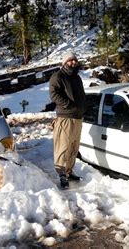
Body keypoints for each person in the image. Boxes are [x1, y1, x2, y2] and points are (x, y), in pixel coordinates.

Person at [49, 52, 86, 189]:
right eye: (70, 60)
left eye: (75, 60)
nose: (73, 63)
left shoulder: (77, 78)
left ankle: (69, 172)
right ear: (65, 62)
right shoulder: (57, 77)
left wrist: (84, 107)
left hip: (78, 117)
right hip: (66, 118)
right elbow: (54, 95)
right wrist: (68, 105)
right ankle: (62, 174)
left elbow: (81, 95)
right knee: (63, 147)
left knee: (73, 147)